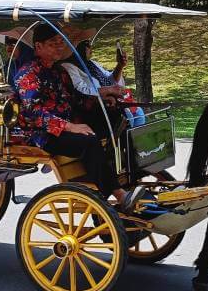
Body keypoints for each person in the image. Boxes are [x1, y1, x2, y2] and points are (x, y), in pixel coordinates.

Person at [13, 22, 134, 209]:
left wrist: (101, 103)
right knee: (88, 140)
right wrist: (70, 127)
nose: (61, 46)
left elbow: (76, 100)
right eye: (54, 43)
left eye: (62, 42)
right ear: (39, 47)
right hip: (42, 134)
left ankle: (124, 173)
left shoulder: (59, 71)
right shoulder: (27, 74)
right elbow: (34, 113)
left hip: (67, 124)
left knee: (115, 118)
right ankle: (117, 193)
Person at [60, 40, 146, 129]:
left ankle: (137, 141)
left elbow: (110, 79)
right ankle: (126, 141)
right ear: (78, 47)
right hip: (95, 108)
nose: (91, 48)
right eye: (87, 45)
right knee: (127, 116)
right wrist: (109, 90)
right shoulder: (68, 67)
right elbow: (81, 91)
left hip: (111, 102)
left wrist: (120, 66)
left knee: (138, 112)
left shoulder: (91, 63)